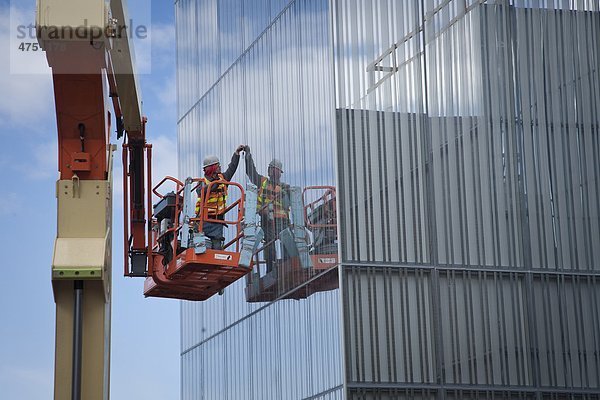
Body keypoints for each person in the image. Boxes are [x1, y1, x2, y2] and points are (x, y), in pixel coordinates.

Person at [243, 146, 290, 272]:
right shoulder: (262, 182)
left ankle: (287, 266)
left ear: (279, 172)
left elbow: (294, 203)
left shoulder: (286, 188)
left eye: (275, 170)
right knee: (269, 245)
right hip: (267, 220)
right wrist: (248, 156)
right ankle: (271, 269)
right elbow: (250, 171)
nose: (272, 172)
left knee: (286, 243)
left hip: (283, 221)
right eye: (271, 169)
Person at [196, 145, 245, 249]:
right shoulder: (202, 183)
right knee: (201, 248)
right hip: (203, 221)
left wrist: (236, 154)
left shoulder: (223, 178)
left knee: (217, 249)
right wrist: (216, 183)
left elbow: (232, 168)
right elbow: (201, 192)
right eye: (217, 166)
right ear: (212, 168)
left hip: (217, 221)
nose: (220, 168)